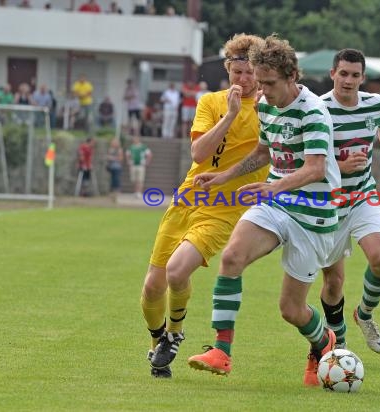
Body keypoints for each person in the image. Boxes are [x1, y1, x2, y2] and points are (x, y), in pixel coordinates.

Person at [185, 34, 340, 387]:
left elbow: (316, 168)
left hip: (313, 213)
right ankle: (221, 352)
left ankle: (323, 342)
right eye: (260, 81)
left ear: (291, 77)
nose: (263, 91)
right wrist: (224, 176)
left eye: (269, 83)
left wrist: (273, 186)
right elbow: (262, 152)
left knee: (291, 310)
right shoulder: (265, 105)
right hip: (276, 201)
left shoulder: (313, 111)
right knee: (231, 257)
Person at [141, 34, 269, 378]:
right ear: (228, 69)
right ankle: (159, 345)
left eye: (248, 73)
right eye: (236, 71)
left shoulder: (270, 110)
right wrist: (227, 117)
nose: (242, 80)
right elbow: (198, 154)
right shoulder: (211, 103)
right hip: (188, 198)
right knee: (152, 287)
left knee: (177, 271)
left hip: (226, 208)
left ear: (259, 72)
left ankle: (176, 332)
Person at [319, 49, 380, 353]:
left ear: (362, 78)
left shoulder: (374, 104)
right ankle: (337, 343)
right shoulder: (319, 109)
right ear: (333, 74)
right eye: (343, 73)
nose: (348, 80)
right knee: (333, 284)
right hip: (329, 204)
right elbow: (309, 160)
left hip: (362, 195)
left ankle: (364, 314)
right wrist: (339, 167)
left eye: (355, 75)